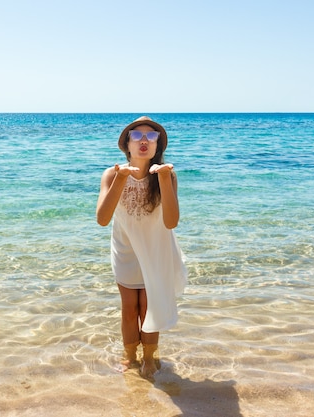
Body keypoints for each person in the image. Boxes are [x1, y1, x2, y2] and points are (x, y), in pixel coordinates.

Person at [96, 116, 187, 380]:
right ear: (127, 144)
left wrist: (166, 180)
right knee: (129, 309)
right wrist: (122, 179)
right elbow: (102, 219)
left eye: (151, 136)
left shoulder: (166, 174)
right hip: (125, 250)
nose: (144, 141)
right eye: (137, 136)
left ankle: (149, 359)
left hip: (156, 249)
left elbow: (171, 222)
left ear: (158, 145)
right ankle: (129, 357)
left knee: (149, 307)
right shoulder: (112, 173)